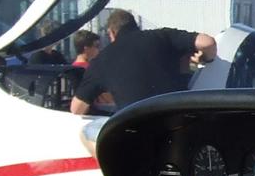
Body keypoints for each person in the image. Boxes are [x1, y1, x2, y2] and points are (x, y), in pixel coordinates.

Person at [69, 9, 216, 114]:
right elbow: (207, 43)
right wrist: (207, 60)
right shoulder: (163, 36)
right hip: (176, 121)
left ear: (112, 32)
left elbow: (77, 108)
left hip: (136, 131)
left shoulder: (101, 60)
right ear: (135, 25)